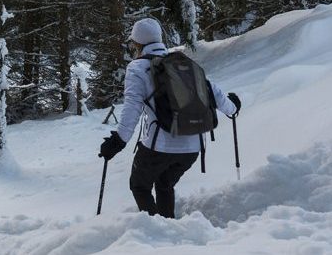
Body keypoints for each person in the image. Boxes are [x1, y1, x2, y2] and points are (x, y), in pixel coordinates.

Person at [98, 18, 241, 218]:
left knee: (139, 185)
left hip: (160, 146)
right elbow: (213, 91)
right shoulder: (183, 63)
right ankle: (168, 228)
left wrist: (118, 142)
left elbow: (132, 108)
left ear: (137, 43)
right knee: (164, 184)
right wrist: (233, 106)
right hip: (193, 147)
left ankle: (155, 232)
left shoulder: (138, 68)